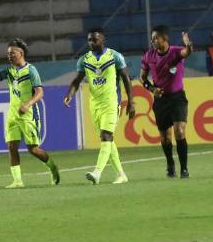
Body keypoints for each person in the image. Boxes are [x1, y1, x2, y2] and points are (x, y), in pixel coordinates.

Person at [0, 39, 60, 188]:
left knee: (33, 149)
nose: (9, 56)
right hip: (13, 114)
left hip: (29, 114)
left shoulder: (31, 70)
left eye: (12, 53)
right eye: (8, 54)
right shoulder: (9, 71)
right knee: (12, 147)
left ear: (21, 53)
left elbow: (39, 93)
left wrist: (28, 104)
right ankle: (18, 181)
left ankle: (52, 167)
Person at [64, 28, 135, 185]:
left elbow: (126, 79)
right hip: (94, 104)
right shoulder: (84, 60)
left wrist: (131, 102)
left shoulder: (115, 56)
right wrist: (70, 94)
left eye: (95, 39)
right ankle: (121, 174)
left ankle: (97, 172)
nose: (91, 42)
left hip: (111, 102)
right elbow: (77, 80)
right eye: (89, 40)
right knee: (108, 141)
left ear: (103, 39)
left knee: (106, 136)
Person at [140, 25, 193, 179]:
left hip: (177, 98)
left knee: (180, 131)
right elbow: (142, 78)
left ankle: (184, 168)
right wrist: (151, 89)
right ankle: (170, 164)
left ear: (165, 39)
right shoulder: (148, 56)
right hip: (160, 99)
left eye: (156, 38)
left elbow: (186, 52)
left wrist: (188, 45)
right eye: (152, 38)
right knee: (165, 137)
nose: (153, 41)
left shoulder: (176, 51)